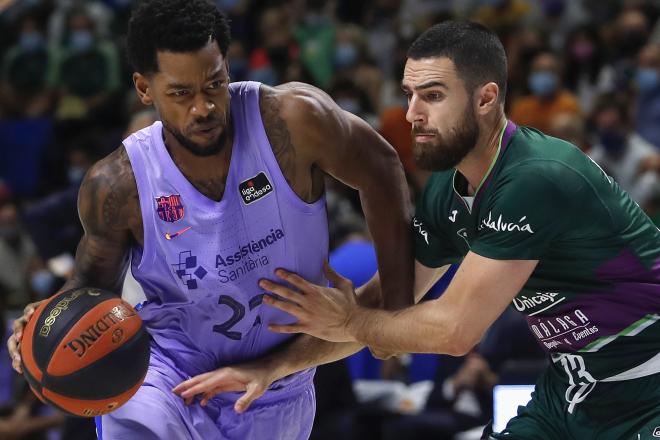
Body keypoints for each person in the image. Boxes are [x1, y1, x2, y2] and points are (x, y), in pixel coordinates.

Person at [177, 21, 660, 440]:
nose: (412, 115)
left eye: (432, 96)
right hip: (574, 391)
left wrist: (350, 322)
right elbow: (383, 308)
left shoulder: (538, 179)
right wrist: (270, 368)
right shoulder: (446, 194)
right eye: (409, 96)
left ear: (486, 98)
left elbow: (454, 331)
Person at [6, 1, 414, 439]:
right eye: (181, 93)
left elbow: (383, 170)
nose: (202, 108)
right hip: (167, 374)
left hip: (276, 383)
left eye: (214, 84)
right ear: (145, 88)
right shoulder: (118, 184)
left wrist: (396, 307)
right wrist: (46, 322)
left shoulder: (292, 122)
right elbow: (92, 284)